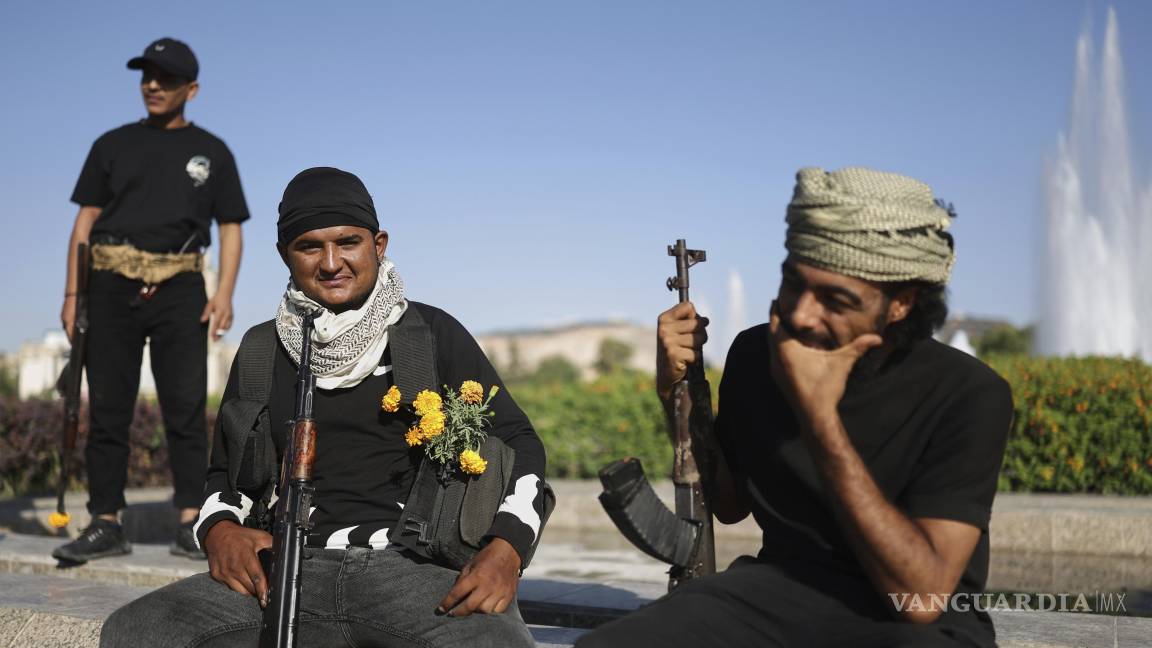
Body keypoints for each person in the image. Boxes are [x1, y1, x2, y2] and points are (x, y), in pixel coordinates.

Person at [100, 167, 548, 648]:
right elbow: (225, 474)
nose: (331, 263)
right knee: (135, 631)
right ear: (284, 255)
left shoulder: (429, 334)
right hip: (290, 569)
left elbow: (519, 443)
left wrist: (507, 549)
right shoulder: (261, 350)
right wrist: (219, 530)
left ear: (378, 244)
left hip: (413, 572)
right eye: (310, 247)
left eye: (348, 242)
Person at [579, 167, 1014, 648]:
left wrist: (819, 415)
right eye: (794, 283)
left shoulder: (968, 393)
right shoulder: (754, 354)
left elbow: (921, 599)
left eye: (836, 300)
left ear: (901, 304)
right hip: (776, 592)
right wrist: (674, 392)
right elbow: (727, 504)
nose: (802, 313)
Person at [54, 37, 249, 563]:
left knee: (185, 408)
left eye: (164, 78)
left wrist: (224, 290)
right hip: (110, 287)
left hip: (182, 288)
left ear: (192, 88)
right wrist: (74, 293)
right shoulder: (111, 144)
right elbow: (86, 220)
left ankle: (192, 521)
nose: (152, 85)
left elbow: (230, 227)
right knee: (109, 409)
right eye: (146, 76)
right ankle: (105, 522)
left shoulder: (213, 151)